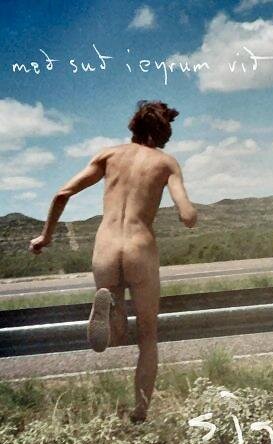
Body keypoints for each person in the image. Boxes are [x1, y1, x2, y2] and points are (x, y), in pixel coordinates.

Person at [29, 100, 197, 423]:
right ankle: (140, 411)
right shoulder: (166, 163)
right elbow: (187, 214)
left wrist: (45, 237)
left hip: (105, 248)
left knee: (116, 330)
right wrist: (190, 215)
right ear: (163, 132)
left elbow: (62, 194)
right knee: (147, 336)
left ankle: (110, 312)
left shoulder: (108, 156)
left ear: (135, 127)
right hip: (139, 249)